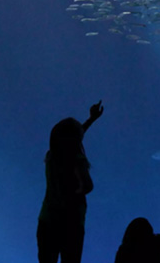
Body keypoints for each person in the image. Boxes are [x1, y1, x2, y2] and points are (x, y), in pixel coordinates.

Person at [37, 100, 104, 263]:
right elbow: (88, 186)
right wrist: (75, 193)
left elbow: (74, 136)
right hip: (71, 222)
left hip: (47, 220)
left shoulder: (51, 155)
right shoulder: (76, 159)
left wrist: (91, 119)